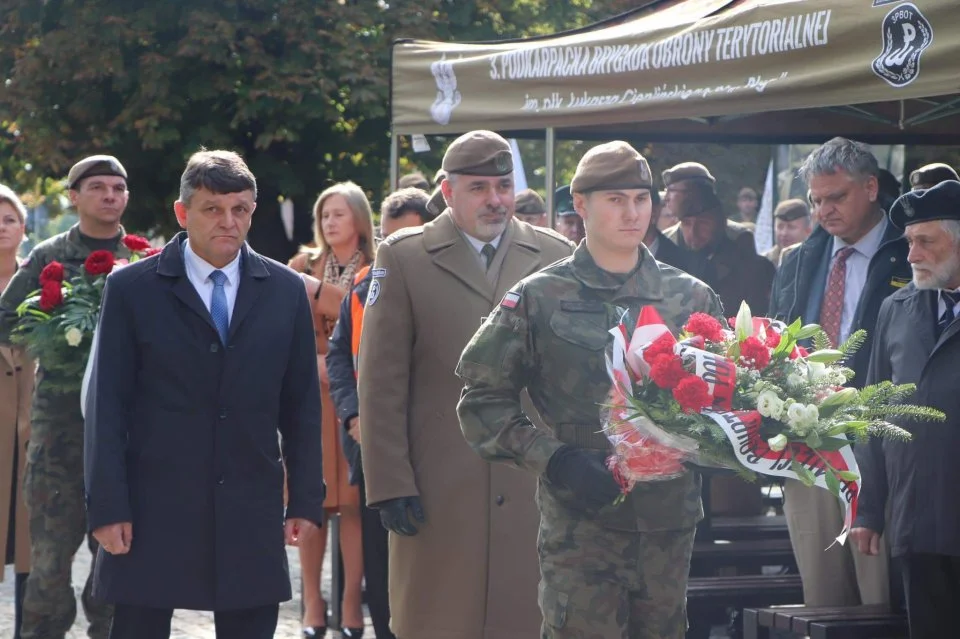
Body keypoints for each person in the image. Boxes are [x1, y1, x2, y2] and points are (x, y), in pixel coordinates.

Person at [456, 140, 724, 638]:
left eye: (642, 199)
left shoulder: (690, 296)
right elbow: (482, 400)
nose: (632, 212)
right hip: (581, 523)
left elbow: (725, 402)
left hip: (667, 519)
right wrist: (554, 458)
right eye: (616, 199)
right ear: (580, 205)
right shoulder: (539, 296)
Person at [82, 149, 325, 639]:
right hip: (153, 506)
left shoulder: (284, 290)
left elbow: (301, 406)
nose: (229, 222)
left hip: (248, 503)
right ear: (182, 212)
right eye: (213, 209)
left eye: (241, 210)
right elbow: (107, 405)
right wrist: (107, 507)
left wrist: (304, 498)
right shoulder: (133, 288)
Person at [357, 130, 574, 639]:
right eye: (478, 187)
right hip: (438, 486)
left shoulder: (554, 256)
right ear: (447, 190)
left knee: (526, 619)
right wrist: (389, 484)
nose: (495, 199)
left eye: (503, 185)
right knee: (437, 619)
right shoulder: (404, 257)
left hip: (530, 485)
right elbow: (381, 380)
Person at [768, 136, 910, 607]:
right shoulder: (800, 259)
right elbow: (773, 343)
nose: (824, 210)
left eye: (836, 197)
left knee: (882, 600)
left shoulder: (910, 252)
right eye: (815, 200)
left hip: (881, 448)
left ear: (871, 188)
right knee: (823, 601)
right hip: (808, 450)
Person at [0, 155, 136, 639]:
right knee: (49, 570)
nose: (109, 196)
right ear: (74, 196)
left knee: (118, 571)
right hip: (59, 435)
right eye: (97, 187)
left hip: (124, 439)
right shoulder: (48, 256)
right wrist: (54, 333)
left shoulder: (142, 259)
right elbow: (6, 317)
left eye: (118, 188)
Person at [853, 180, 960, 638]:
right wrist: (869, 510)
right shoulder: (896, 309)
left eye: (926, 242)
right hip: (917, 519)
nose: (912, 255)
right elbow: (874, 412)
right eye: (910, 242)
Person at [327, 187, 433, 639]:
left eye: (408, 239)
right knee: (379, 560)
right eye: (390, 240)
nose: (397, 252)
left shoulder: (447, 285)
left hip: (431, 448)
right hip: (373, 449)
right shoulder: (365, 283)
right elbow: (339, 359)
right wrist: (353, 415)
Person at [289, 181, 375, 638]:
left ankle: (349, 604)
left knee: (356, 506)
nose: (330, 222)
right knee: (313, 503)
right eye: (324, 215)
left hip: (356, 400)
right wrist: (314, 362)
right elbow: (280, 332)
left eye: (339, 214)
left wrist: (339, 363)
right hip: (309, 402)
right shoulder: (301, 266)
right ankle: (312, 603)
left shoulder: (380, 269)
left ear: (360, 218)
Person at [0, 185, 32, 639]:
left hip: (30, 430)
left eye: (9, 218)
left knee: (31, 548)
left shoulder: (42, 282)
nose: (1, 227)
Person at [643, 187, 693, 272]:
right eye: (616, 201)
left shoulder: (683, 264)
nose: (628, 214)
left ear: (654, 212)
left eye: (638, 202)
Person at [764, 199, 812, 266]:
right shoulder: (764, 263)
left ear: (808, 231)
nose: (784, 233)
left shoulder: (815, 262)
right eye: (780, 227)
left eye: (791, 227)